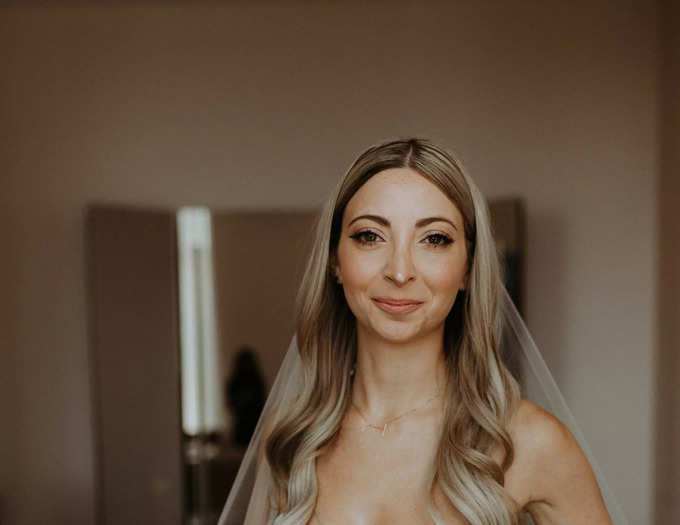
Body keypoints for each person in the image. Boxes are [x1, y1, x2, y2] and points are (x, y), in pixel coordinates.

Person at [219, 138, 625, 524]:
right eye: (369, 236)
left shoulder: (531, 442)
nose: (399, 271)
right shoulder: (292, 433)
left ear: (467, 268)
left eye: (434, 239)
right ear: (335, 262)